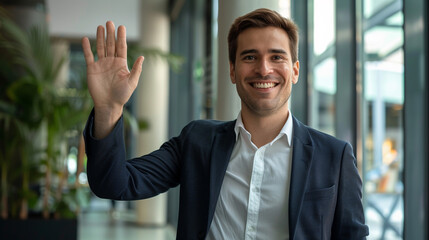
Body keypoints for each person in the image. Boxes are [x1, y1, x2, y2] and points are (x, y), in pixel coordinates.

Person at [82, 8, 369, 240]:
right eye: (250, 56)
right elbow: (114, 184)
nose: (264, 68)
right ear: (232, 70)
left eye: (277, 57)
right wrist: (109, 108)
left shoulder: (334, 156)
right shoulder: (197, 141)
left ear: (294, 71)